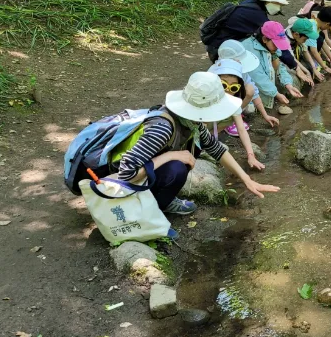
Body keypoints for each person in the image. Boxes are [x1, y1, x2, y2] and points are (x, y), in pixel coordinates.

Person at [71, 73, 279, 235]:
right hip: (107, 178)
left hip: (135, 171)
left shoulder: (191, 121)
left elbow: (216, 149)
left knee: (187, 157)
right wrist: (172, 156)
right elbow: (126, 175)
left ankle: (160, 200)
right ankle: (149, 218)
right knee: (178, 167)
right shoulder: (163, 128)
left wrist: (247, 180)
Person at [201, 0, 313, 88]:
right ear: (268, 0)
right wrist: (295, 67)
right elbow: (276, 43)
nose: (279, 7)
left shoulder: (252, 5)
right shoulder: (256, 15)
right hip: (220, 49)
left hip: (222, 43)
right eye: (277, 4)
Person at [207, 59, 265, 169]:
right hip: (194, 128)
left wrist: (251, 155)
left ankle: (210, 138)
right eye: (223, 85)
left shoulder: (233, 102)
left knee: (231, 117)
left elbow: (241, 129)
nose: (228, 90)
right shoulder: (206, 96)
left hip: (210, 128)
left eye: (233, 87)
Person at [216, 39, 280, 130]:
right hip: (218, 105)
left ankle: (233, 117)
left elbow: (254, 92)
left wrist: (266, 115)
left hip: (234, 103)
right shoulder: (216, 73)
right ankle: (225, 121)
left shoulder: (243, 73)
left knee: (250, 89)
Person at [241, 22, 303, 110]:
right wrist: (276, 94)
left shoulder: (271, 48)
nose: (277, 47)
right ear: (265, 39)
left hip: (258, 84)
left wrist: (289, 85)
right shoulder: (249, 51)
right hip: (239, 88)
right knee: (250, 109)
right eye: (275, 44)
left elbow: (280, 67)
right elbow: (258, 77)